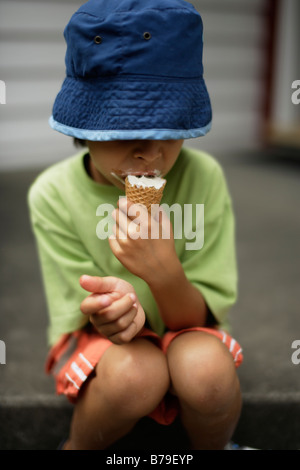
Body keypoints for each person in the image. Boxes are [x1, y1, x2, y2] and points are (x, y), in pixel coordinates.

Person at [28, 0, 243, 450]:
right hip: (108, 348)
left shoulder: (203, 178)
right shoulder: (53, 195)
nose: (152, 154)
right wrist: (113, 313)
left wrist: (162, 270)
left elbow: (200, 316)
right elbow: (79, 318)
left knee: (208, 373)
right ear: (83, 128)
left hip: (185, 326)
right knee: (136, 374)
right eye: (124, 131)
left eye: (170, 129)